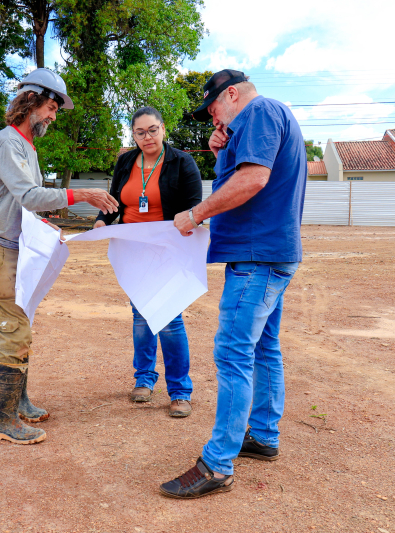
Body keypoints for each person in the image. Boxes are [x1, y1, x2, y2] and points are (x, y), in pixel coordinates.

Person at [160, 69, 307, 497]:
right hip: (271, 251)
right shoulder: (266, 118)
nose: (214, 120)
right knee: (264, 348)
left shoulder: (259, 111)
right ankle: (262, 435)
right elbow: (242, 175)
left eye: (213, 111)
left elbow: (253, 179)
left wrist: (195, 214)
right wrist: (222, 151)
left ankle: (218, 463)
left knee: (232, 352)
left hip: (255, 256)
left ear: (231, 94)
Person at [0, 68, 118, 445]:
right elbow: (31, 196)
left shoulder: (26, 148)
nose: (53, 116)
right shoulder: (7, 144)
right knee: (13, 329)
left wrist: (50, 231)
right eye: (51, 107)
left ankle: (17, 402)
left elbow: (29, 209)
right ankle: (2, 419)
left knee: (23, 320)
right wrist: (82, 195)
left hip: (12, 247)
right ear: (30, 102)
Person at [94, 106, 202, 418]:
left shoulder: (182, 162)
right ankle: (144, 379)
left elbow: (193, 207)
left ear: (163, 129)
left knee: (169, 319)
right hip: (133, 251)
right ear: (133, 135)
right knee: (141, 315)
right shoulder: (127, 161)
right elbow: (114, 202)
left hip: (168, 251)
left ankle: (180, 391)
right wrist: (102, 221)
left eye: (152, 130)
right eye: (140, 132)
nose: (147, 137)